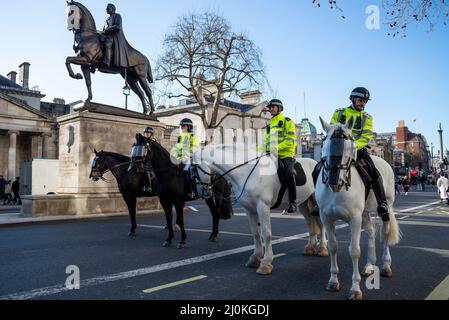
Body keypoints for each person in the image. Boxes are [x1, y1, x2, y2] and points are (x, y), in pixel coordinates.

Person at [312, 87, 389, 221]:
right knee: (317, 169)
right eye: (360, 100)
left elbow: (365, 137)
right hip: (337, 149)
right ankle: (317, 202)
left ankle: (382, 203)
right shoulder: (339, 112)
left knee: (374, 172)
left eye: (365, 101)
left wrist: (352, 147)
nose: (362, 103)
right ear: (352, 99)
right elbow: (331, 130)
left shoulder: (367, 118)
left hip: (358, 148)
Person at [263, 99, 298, 214]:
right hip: (271, 155)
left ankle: (293, 202)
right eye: (270, 107)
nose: (271, 109)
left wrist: (275, 148)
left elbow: (290, 140)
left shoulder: (287, 121)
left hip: (286, 155)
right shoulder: (269, 125)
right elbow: (265, 143)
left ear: (279, 108)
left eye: (273, 107)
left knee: (289, 173)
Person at [170, 118, 200, 201]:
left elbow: (194, 149)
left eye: (183, 126)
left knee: (186, 172)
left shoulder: (193, 137)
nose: (181, 127)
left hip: (191, 159)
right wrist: (173, 156)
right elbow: (176, 149)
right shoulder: (180, 138)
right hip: (180, 160)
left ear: (189, 127)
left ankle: (191, 192)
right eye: (181, 126)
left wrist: (185, 157)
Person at [101, 3, 131, 68]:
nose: (106, 9)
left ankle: (107, 62)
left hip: (114, 36)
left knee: (107, 43)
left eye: (108, 8)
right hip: (107, 35)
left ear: (113, 9)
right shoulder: (107, 19)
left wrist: (107, 30)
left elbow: (117, 26)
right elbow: (104, 30)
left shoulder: (117, 16)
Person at [141, 127, 157, 193]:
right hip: (143, 158)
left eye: (148, 133)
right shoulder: (143, 141)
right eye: (145, 133)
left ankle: (148, 186)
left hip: (151, 159)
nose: (146, 134)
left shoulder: (153, 141)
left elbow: (155, 151)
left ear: (151, 134)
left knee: (146, 168)